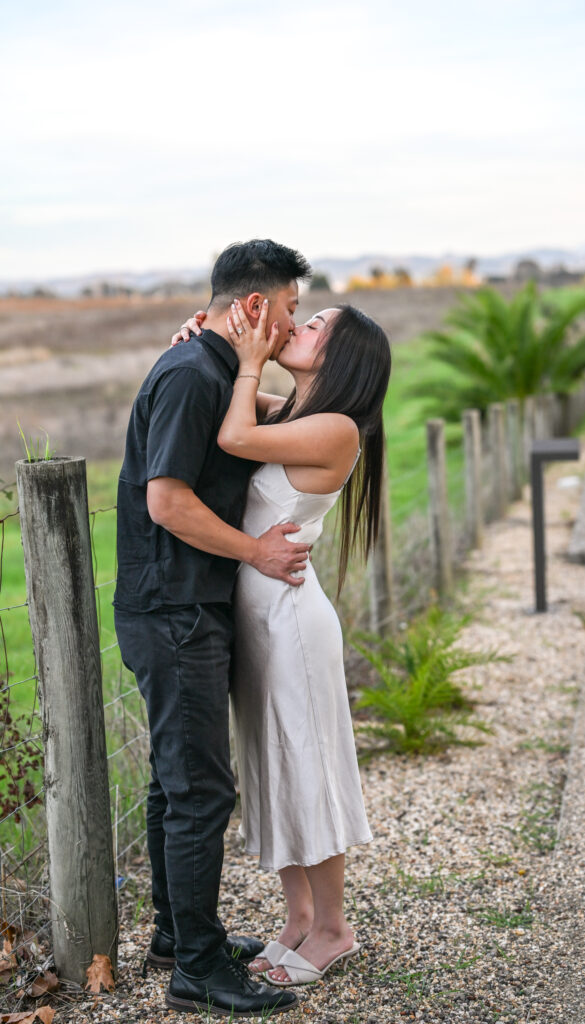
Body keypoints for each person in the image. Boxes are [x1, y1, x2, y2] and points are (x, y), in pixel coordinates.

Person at [113, 240, 314, 1018]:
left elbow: (265, 425)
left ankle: (176, 936)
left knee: (175, 784)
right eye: (291, 307)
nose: (294, 320)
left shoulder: (209, 370)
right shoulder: (194, 374)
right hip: (173, 611)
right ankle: (196, 968)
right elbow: (168, 501)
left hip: (179, 606)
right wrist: (255, 551)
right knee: (201, 791)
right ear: (254, 308)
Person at [171, 295, 391, 987]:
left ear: (344, 356)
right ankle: (297, 917)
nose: (301, 324)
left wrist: (245, 361)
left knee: (306, 768)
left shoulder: (335, 430)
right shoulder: (294, 415)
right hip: (259, 617)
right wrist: (196, 341)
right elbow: (228, 407)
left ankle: (332, 928)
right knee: (271, 769)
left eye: (318, 325)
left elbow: (234, 436)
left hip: (291, 623)